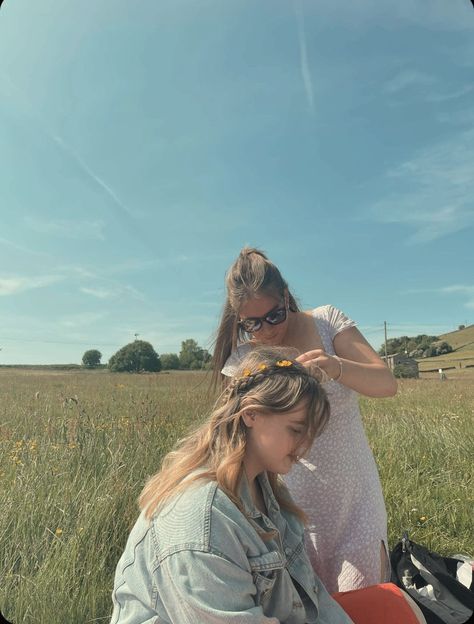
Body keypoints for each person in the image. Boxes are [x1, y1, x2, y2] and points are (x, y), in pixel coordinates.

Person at [110, 346, 354, 624]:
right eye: (296, 430)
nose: (305, 447)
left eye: (311, 434)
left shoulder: (267, 490)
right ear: (251, 415)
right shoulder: (202, 521)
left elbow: (312, 599)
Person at [211, 247, 398, 594]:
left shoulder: (327, 322)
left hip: (355, 500)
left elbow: (386, 384)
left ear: (286, 296)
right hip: (288, 508)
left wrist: (335, 366)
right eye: (251, 323)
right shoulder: (243, 358)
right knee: (307, 608)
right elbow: (231, 435)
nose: (265, 331)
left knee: (360, 601)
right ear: (238, 318)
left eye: (274, 315)